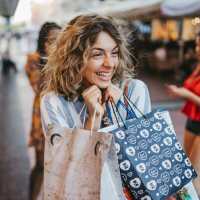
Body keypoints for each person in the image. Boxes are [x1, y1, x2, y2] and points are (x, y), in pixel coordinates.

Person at [40, 14, 151, 200]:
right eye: (97, 54)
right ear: (74, 58)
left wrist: (118, 114)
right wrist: (93, 119)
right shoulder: (54, 103)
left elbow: (145, 158)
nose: (109, 64)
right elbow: (66, 173)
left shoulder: (133, 91)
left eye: (114, 53)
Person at [25, 22, 61, 200]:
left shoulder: (63, 60)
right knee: (40, 165)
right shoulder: (33, 59)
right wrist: (53, 61)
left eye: (59, 40)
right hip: (41, 116)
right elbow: (40, 86)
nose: (57, 44)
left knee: (57, 165)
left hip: (59, 117)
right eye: (52, 40)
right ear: (43, 42)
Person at [167, 33, 200, 195]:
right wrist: (180, 91)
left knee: (194, 170)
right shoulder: (198, 66)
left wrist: (186, 95)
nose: (197, 49)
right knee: (185, 164)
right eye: (196, 45)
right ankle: (183, 195)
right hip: (193, 119)